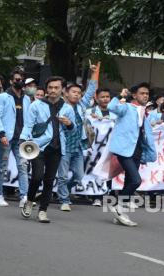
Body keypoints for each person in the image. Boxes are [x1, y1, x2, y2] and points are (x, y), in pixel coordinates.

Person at [20, 76, 75, 223]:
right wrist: (23, 139)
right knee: (37, 176)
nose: (53, 90)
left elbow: (72, 129)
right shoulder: (36, 105)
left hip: (57, 148)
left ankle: (43, 211)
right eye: (50, 87)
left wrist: (69, 124)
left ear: (62, 89)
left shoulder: (68, 108)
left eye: (56, 88)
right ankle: (30, 201)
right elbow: (28, 125)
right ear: (46, 89)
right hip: (38, 146)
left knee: (49, 181)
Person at [106, 82, 157, 226]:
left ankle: (120, 213)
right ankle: (117, 207)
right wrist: (120, 96)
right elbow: (112, 107)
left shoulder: (144, 112)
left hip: (137, 151)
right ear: (134, 95)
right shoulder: (127, 107)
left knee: (129, 181)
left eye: (147, 94)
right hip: (124, 150)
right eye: (142, 93)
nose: (145, 96)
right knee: (136, 180)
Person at [56, 63, 99, 212]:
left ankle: (64, 191)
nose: (76, 94)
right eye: (73, 92)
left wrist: (93, 73)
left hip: (78, 147)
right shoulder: (60, 106)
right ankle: (64, 199)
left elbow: (91, 89)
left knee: (79, 176)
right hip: (64, 147)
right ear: (66, 93)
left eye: (78, 93)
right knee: (61, 176)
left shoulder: (81, 106)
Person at [0, 70, 31, 207]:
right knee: (2, 167)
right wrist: (1, 134)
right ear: (11, 81)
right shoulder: (3, 97)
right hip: (6, 138)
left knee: (23, 166)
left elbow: (28, 120)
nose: (18, 81)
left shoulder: (26, 99)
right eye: (16, 79)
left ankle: (24, 196)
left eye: (21, 79)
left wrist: (26, 136)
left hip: (21, 139)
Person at [86, 87, 118, 207]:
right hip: (95, 148)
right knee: (94, 170)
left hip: (110, 147)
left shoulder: (115, 113)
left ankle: (105, 193)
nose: (105, 99)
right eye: (102, 97)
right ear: (96, 98)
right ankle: (96, 196)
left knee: (108, 171)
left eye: (107, 97)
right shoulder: (89, 112)